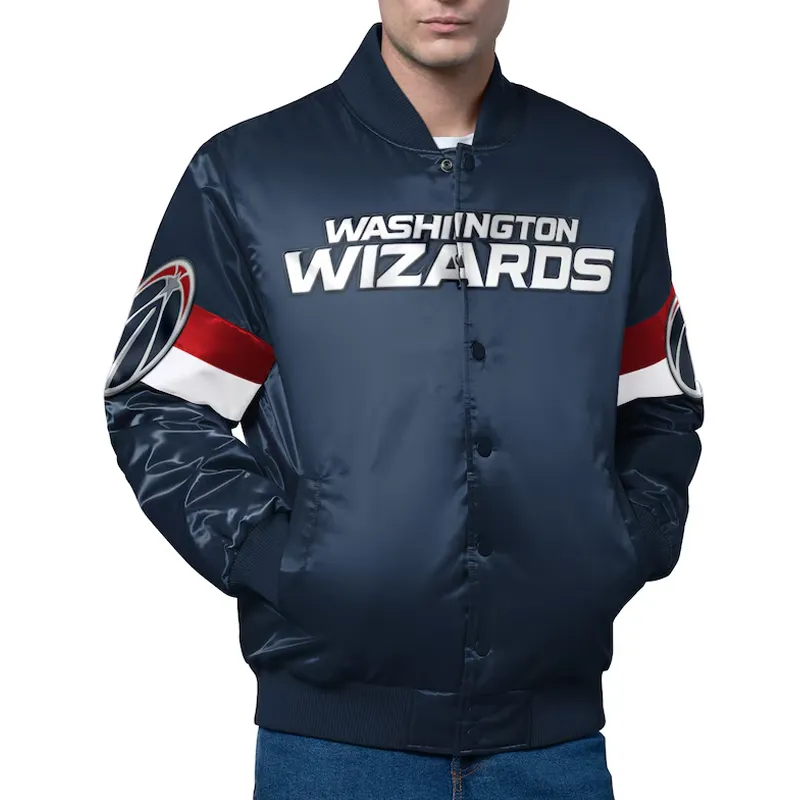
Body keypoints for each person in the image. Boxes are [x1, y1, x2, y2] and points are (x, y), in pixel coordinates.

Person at [103, 1, 704, 797]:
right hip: (332, 748)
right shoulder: (255, 174)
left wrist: (627, 540)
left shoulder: (606, 177)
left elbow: (659, 401)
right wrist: (284, 561)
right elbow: (162, 401)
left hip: (552, 744)